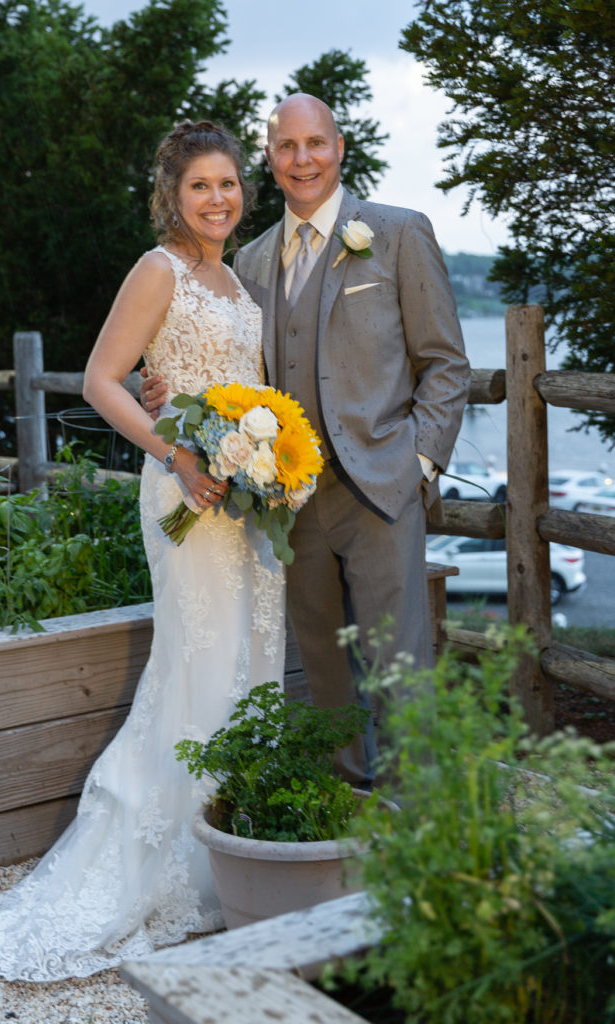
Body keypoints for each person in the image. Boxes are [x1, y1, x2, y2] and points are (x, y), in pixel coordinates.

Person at [0, 120, 286, 981]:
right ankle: (155, 869)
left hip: (244, 501)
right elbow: (103, 379)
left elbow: (237, 387)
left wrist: (264, 457)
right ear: (171, 197)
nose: (218, 199)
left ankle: (225, 860)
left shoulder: (234, 277)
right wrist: (176, 452)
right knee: (196, 667)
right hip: (181, 495)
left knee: (249, 665)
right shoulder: (159, 269)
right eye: (199, 187)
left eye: (227, 184)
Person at [142, 94, 470, 786]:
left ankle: (419, 828)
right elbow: (226, 368)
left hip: (383, 488)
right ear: (270, 157)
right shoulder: (250, 264)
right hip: (288, 505)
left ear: (339, 146)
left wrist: (417, 462)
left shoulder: (397, 233)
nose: (302, 160)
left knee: (399, 667)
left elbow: (444, 362)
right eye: (286, 147)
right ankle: (344, 821)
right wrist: (164, 395)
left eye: (314, 143)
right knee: (323, 672)